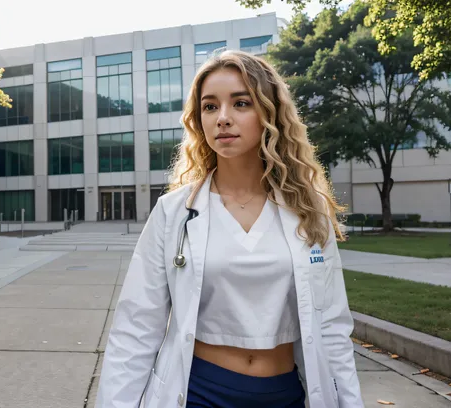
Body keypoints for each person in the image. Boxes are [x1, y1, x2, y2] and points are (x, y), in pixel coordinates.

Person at [95, 49, 364, 408]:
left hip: (284, 394)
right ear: (198, 120)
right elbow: (136, 327)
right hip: (199, 393)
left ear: (269, 113)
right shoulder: (174, 212)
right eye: (210, 106)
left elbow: (332, 325)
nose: (222, 118)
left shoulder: (308, 211)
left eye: (240, 103)